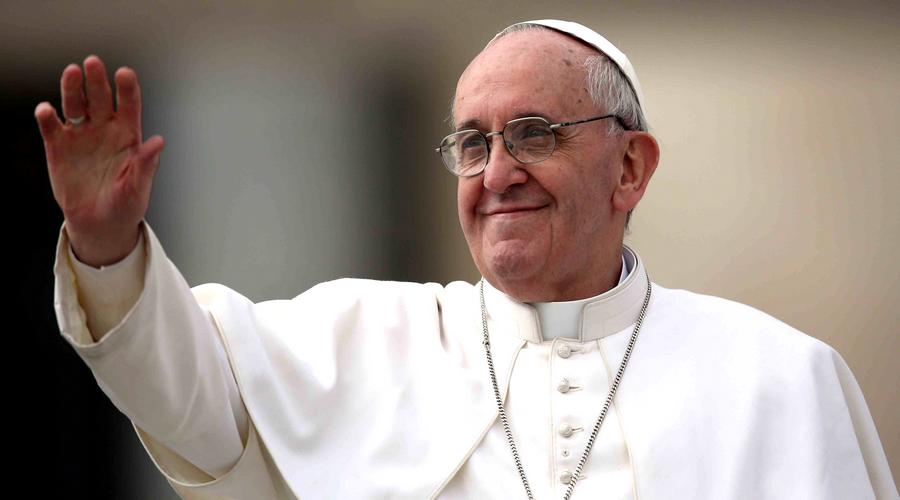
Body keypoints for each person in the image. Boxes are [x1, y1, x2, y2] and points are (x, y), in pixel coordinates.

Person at [36, 19, 896, 500]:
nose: (499, 173)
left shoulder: (782, 381)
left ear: (630, 168)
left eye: (533, 134)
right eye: (473, 145)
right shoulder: (369, 335)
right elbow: (186, 392)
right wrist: (107, 246)